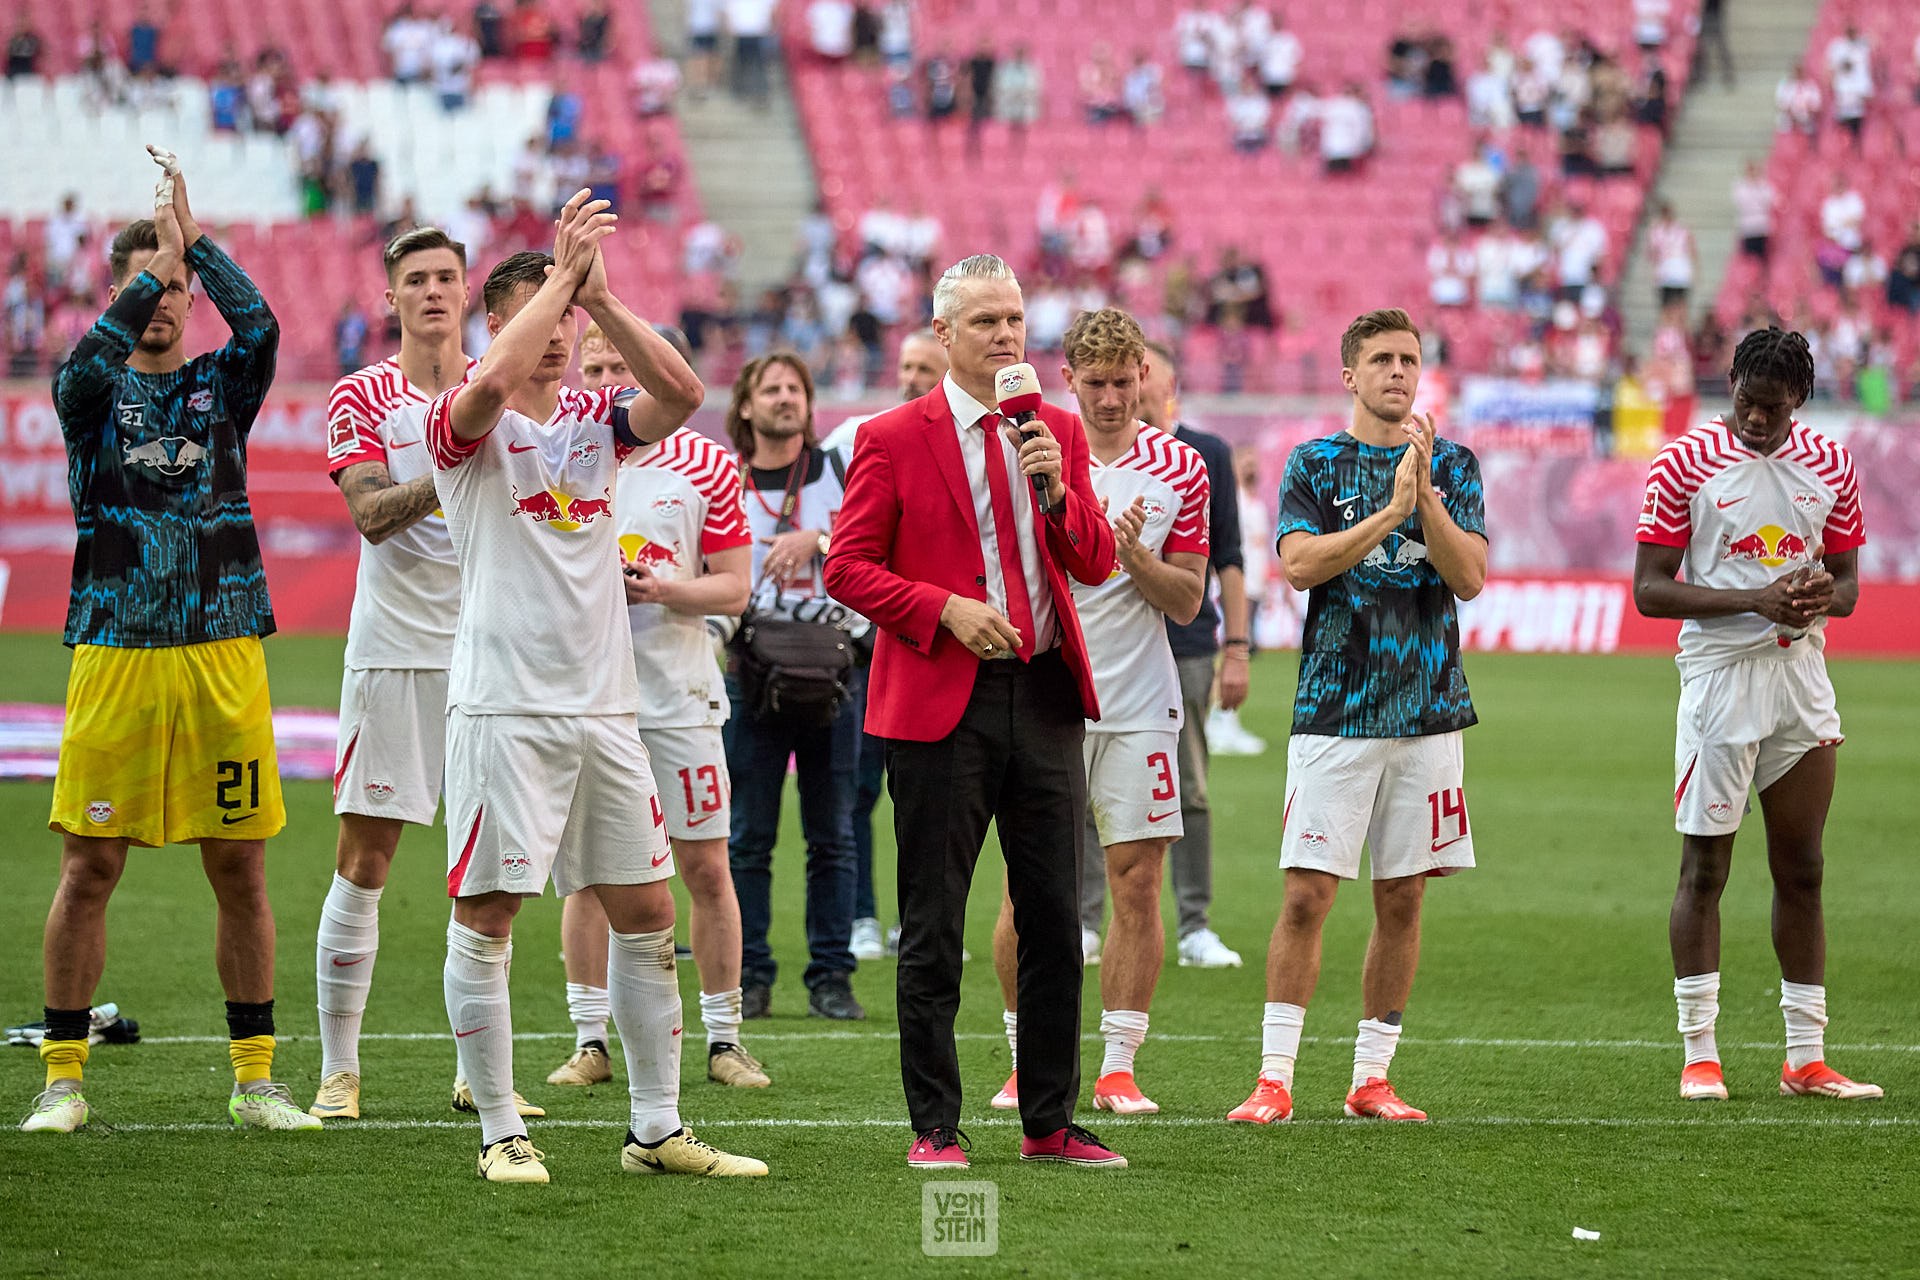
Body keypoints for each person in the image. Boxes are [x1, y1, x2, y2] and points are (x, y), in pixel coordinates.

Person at [426, 193, 763, 1183]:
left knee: (649, 911)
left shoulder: (595, 420)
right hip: (504, 706)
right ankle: (500, 1129)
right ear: (501, 325)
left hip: (607, 708)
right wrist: (560, 287)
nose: (563, 341)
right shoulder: (464, 418)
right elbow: (490, 384)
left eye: (570, 324)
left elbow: (686, 391)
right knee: (488, 913)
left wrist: (604, 301)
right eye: (549, 316)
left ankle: (656, 1130)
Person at [27, 147, 316, 1134]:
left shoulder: (222, 387)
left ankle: (255, 1080)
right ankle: (63, 1077)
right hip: (114, 648)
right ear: (118, 288)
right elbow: (77, 364)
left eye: (180, 287)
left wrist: (196, 244)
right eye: (146, 282)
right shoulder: (90, 394)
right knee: (89, 867)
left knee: (241, 868)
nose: (165, 298)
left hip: (223, 646)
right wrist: (157, 259)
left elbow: (265, 325)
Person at [823, 254, 1125, 1170]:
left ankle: (1047, 1122)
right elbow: (846, 567)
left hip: (1041, 696)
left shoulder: (1056, 432)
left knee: (1053, 920)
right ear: (945, 334)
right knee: (936, 922)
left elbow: (1095, 561)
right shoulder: (890, 437)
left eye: (1016, 320)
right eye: (987, 321)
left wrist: (1064, 492)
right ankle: (936, 1126)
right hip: (938, 700)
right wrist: (941, 610)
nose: (1005, 336)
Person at [310, 227, 548, 1123]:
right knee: (366, 860)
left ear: (470, 296)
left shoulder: (508, 379)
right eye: (417, 279)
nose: (435, 291)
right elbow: (372, 512)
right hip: (398, 649)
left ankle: (476, 1069)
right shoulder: (362, 394)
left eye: (449, 276)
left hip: (494, 653)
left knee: (490, 876)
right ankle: (340, 1067)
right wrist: (451, 476)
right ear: (393, 298)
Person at [1227, 308, 1486, 1127]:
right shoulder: (1313, 463)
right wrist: (1385, 514)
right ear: (1350, 375)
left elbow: (1471, 576)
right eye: (1381, 359)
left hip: (1429, 714)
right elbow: (1300, 566)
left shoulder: (1455, 463)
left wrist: (1426, 499)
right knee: (1306, 896)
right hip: (1334, 712)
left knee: (1402, 896)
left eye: (1409, 359)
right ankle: (1274, 1078)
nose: (1398, 372)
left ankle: (1372, 1078)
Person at [1632, 328, 1880, 1104]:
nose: (1757, 420)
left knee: (1802, 868)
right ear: (1730, 383)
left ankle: (1805, 1056)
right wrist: (1753, 596)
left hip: (1800, 675)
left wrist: (1816, 598)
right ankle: (1700, 1054)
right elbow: (1649, 589)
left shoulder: (1831, 465)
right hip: (1719, 679)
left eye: (1772, 408)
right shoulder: (1683, 463)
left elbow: (1846, 584)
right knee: (1706, 869)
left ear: (1798, 401)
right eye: (1746, 401)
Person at [990, 308, 1207, 1117]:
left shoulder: (1180, 466)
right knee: (1027, 887)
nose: (1114, 398)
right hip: (1047, 696)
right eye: (1098, 383)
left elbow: (1187, 601)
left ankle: (1118, 1065)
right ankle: (1022, 1061)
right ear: (1068, 380)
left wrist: (1136, 556)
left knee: (1136, 882)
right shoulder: (1028, 447)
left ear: (1144, 376)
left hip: (1141, 701)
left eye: (1127, 381)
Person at [546, 325, 766, 1090]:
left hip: (678, 696)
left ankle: (726, 1039)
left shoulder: (705, 463)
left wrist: (664, 588)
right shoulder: (559, 452)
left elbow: (735, 587)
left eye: (624, 366)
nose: (610, 379)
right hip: (587, 699)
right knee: (587, 875)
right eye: (597, 365)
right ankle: (589, 1041)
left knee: (704, 865)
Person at [726, 353, 868, 1022]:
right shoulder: (725, 479)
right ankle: (749, 974)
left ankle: (831, 978)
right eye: (771, 388)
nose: (785, 398)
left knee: (832, 835)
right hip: (751, 675)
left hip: (834, 674)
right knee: (748, 836)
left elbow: (883, 541)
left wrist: (819, 536)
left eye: (795, 388)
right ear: (746, 406)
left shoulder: (839, 473)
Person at [819, 330, 951, 961]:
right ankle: (864, 915)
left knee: (918, 796)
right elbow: (821, 517)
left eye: (925, 368)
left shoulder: (963, 441)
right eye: (905, 365)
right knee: (860, 790)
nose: (910, 377)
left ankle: (909, 921)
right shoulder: (855, 437)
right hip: (865, 641)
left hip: (925, 638)